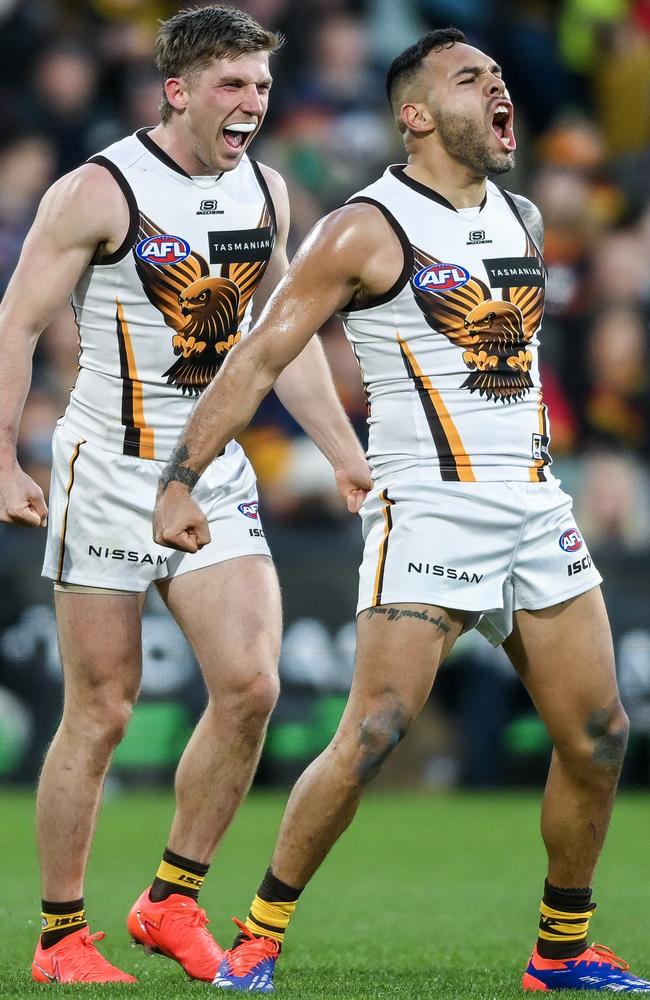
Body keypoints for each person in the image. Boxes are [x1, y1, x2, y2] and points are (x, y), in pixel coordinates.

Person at [153, 28, 650, 994]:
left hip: (532, 505)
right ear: (416, 114)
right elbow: (256, 356)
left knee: (600, 736)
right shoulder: (365, 228)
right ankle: (257, 936)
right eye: (473, 79)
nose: (499, 89)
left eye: (501, 77)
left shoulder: (525, 216)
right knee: (374, 729)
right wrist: (180, 476)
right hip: (427, 511)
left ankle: (561, 951)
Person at [0, 5, 371, 986]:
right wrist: (2, 455)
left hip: (212, 468)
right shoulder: (100, 188)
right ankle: (60, 936)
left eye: (259, 85)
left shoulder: (267, 190)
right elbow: (18, 319)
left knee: (250, 685)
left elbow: (275, 347)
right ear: (178, 90)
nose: (250, 103)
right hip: (107, 470)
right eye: (230, 86)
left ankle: (170, 898)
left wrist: (342, 451)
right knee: (103, 708)